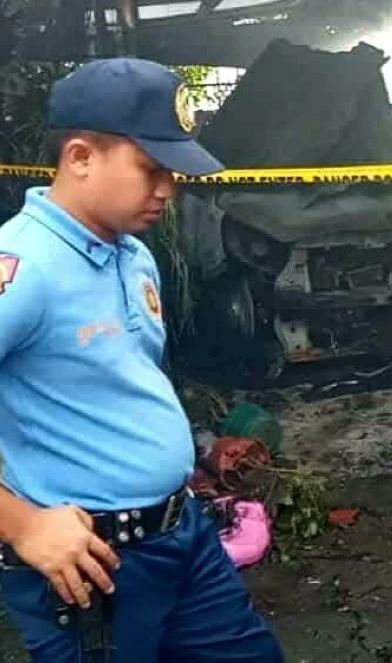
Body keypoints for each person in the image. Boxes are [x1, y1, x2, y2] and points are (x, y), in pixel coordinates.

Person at [0, 58, 284, 662]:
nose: (167, 189)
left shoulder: (132, 254)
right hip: (96, 567)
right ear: (80, 157)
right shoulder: (22, 269)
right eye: (151, 169)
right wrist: (22, 525)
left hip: (183, 535)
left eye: (174, 173)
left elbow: (124, 381)